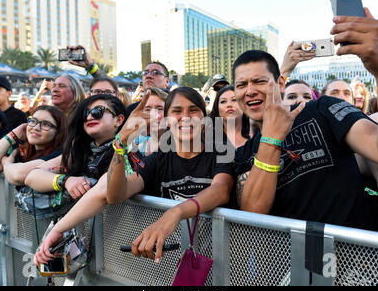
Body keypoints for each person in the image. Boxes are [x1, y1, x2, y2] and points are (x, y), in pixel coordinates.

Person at [233, 9, 378, 252]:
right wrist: (272, 137)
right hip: (290, 269)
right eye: (241, 85)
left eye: (260, 81)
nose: (249, 90)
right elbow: (254, 211)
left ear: (281, 83)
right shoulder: (245, 153)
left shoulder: (324, 109)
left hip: (358, 262)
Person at [33, 87, 235, 266]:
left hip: (223, 260)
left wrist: (175, 213)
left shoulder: (219, 150)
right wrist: (121, 141)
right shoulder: (158, 158)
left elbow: (221, 189)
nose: (185, 117)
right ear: (167, 118)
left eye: (193, 110)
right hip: (174, 262)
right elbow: (114, 194)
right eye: (176, 111)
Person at [25, 94, 126, 200]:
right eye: (85, 113)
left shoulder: (129, 151)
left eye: (97, 112)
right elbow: (32, 176)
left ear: (118, 120)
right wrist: (65, 181)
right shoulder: (79, 150)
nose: (89, 117)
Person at [0, 106, 67, 186]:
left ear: (59, 132)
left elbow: (17, 175)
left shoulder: (60, 154)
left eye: (46, 124)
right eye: (33, 121)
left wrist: (7, 164)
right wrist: (14, 134)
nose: (35, 127)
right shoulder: (23, 150)